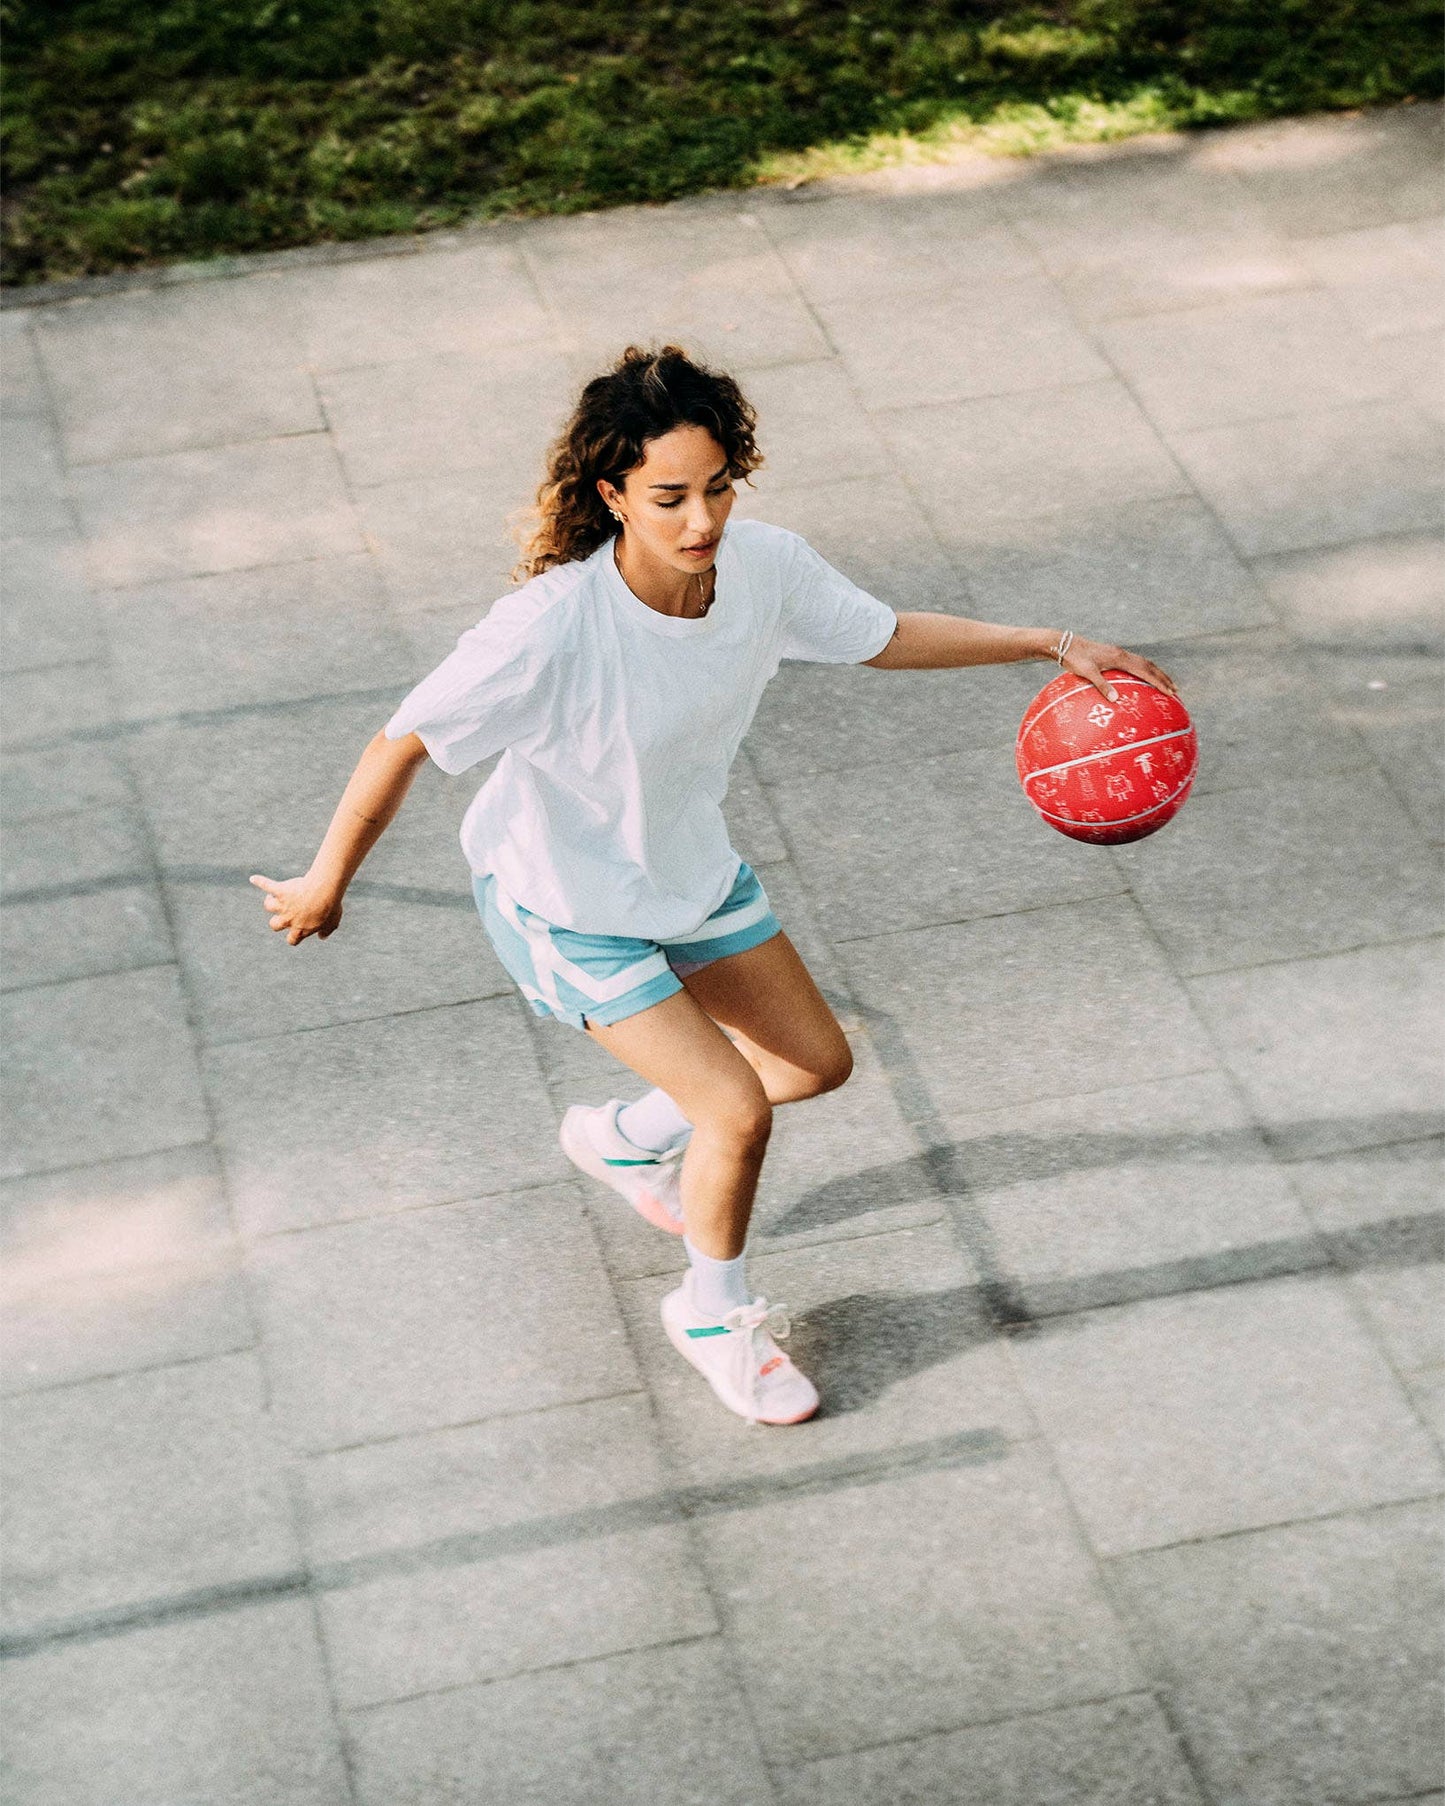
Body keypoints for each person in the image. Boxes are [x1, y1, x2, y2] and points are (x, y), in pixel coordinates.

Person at [251, 344, 1178, 1427]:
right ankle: (709, 1315)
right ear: (611, 495)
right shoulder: (550, 628)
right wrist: (326, 878)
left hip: (685, 875)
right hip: (565, 907)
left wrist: (1044, 642)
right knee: (733, 1109)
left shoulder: (766, 570)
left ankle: (625, 1138)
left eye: (717, 488)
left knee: (814, 1063)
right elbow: (400, 743)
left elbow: (879, 638)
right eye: (668, 498)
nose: (700, 521)